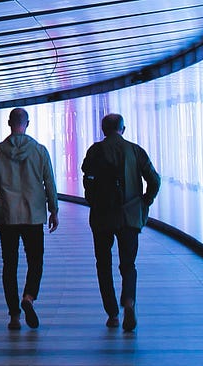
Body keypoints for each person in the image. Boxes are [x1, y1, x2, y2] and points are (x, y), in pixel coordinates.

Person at [0, 108, 59, 330]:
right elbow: (49, 183)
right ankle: (29, 297)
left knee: (9, 265)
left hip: (8, 216)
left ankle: (14, 316)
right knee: (36, 261)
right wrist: (54, 210)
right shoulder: (40, 151)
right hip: (33, 216)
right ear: (28, 123)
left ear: (9, 123)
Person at [81, 113, 160, 332]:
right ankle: (129, 302)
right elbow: (154, 180)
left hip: (101, 216)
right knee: (128, 264)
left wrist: (93, 200)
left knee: (103, 264)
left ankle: (113, 314)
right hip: (129, 216)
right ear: (123, 129)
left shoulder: (95, 150)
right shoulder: (135, 150)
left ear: (103, 130)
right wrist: (145, 201)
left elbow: (87, 177)